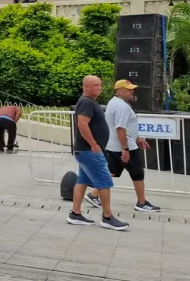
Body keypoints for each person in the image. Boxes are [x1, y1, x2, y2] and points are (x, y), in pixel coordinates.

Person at [87, 80, 161, 213]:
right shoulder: (122, 106)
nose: (132, 91)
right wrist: (125, 149)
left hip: (114, 145)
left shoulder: (114, 102)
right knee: (137, 173)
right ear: (119, 91)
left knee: (112, 170)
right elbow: (120, 128)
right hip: (125, 146)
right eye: (129, 89)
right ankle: (141, 202)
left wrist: (137, 138)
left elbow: (124, 126)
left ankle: (93, 194)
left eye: (132, 89)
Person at [66, 75, 129, 231]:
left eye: (100, 85)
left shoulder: (89, 101)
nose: (99, 87)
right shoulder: (87, 102)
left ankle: (75, 213)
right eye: (95, 85)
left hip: (85, 151)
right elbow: (82, 125)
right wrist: (94, 145)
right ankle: (107, 217)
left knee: (82, 180)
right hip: (89, 151)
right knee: (104, 181)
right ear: (86, 87)